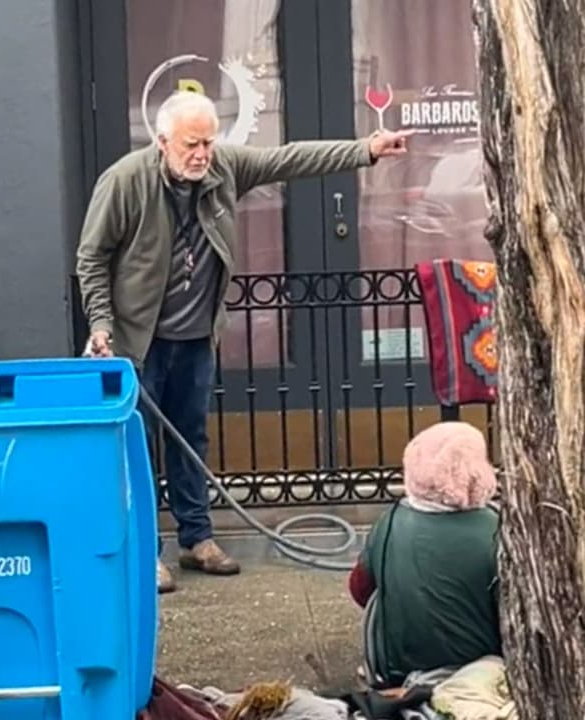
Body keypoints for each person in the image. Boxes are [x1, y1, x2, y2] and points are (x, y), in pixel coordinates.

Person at [77, 90, 415, 593]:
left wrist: (366, 149)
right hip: (137, 342)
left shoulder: (222, 169)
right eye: (192, 144)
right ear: (162, 141)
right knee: (135, 449)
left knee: (190, 440)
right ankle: (143, 553)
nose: (202, 154)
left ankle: (197, 539)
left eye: (209, 143)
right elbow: (92, 258)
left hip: (194, 338)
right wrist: (101, 325)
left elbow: (289, 158)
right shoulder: (126, 181)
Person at [348, 421, 501, 687]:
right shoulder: (497, 528)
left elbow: (360, 589)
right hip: (479, 671)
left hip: (397, 670)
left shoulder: (390, 521)